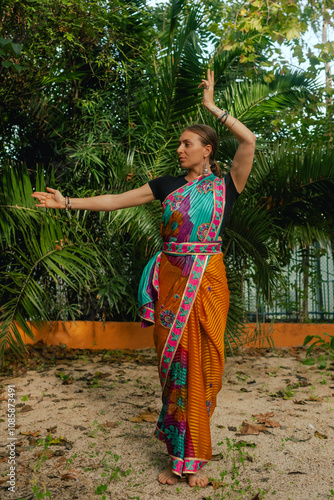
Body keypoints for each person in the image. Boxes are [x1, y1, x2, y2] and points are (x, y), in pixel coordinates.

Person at [32, 69, 256, 488]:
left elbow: (249, 142)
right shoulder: (167, 185)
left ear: (207, 150)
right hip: (172, 279)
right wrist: (67, 203)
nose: (179, 149)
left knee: (205, 366)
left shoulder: (228, 185)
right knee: (173, 367)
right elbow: (116, 200)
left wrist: (213, 108)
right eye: (179, 143)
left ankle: (194, 452)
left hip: (208, 279)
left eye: (187, 143)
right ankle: (180, 457)